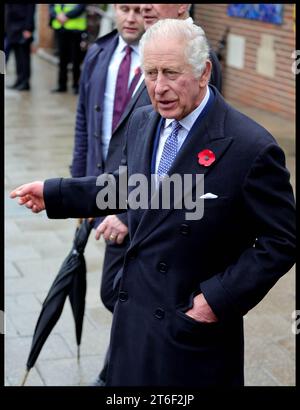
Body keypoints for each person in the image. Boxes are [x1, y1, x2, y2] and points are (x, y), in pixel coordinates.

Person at [10, 19, 296, 386]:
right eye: (150, 73)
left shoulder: (250, 147)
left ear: (204, 71)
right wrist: (55, 193)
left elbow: (283, 239)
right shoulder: (144, 121)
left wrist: (216, 300)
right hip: (136, 318)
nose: (159, 88)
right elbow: (130, 188)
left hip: (192, 332)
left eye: (172, 73)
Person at [49, 4, 87, 94]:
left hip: (75, 29)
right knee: (62, 58)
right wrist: (56, 15)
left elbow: (81, 7)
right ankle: (62, 85)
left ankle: (76, 85)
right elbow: (51, 7)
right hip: (60, 28)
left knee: (76, 59)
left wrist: (66, 16)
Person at [5, 4, 35, 91]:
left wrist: (28, 28)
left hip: (22, 29)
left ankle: (25, 82)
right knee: (17, 58)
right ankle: (19, 80)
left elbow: (30, 11)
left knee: (24, 58)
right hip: (12, 29)